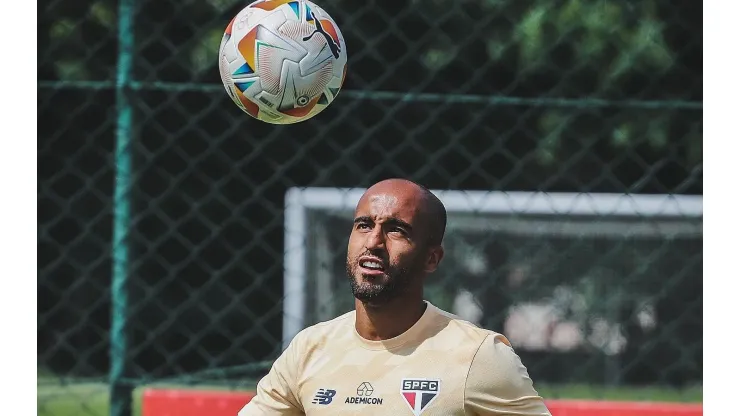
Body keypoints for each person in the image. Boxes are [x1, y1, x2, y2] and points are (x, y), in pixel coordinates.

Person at [239, 178, 551, 415]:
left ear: (432, 258)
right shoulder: (310, 349)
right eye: (364, 225)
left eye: (396, 230)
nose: (373, 241)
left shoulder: (478, 356)